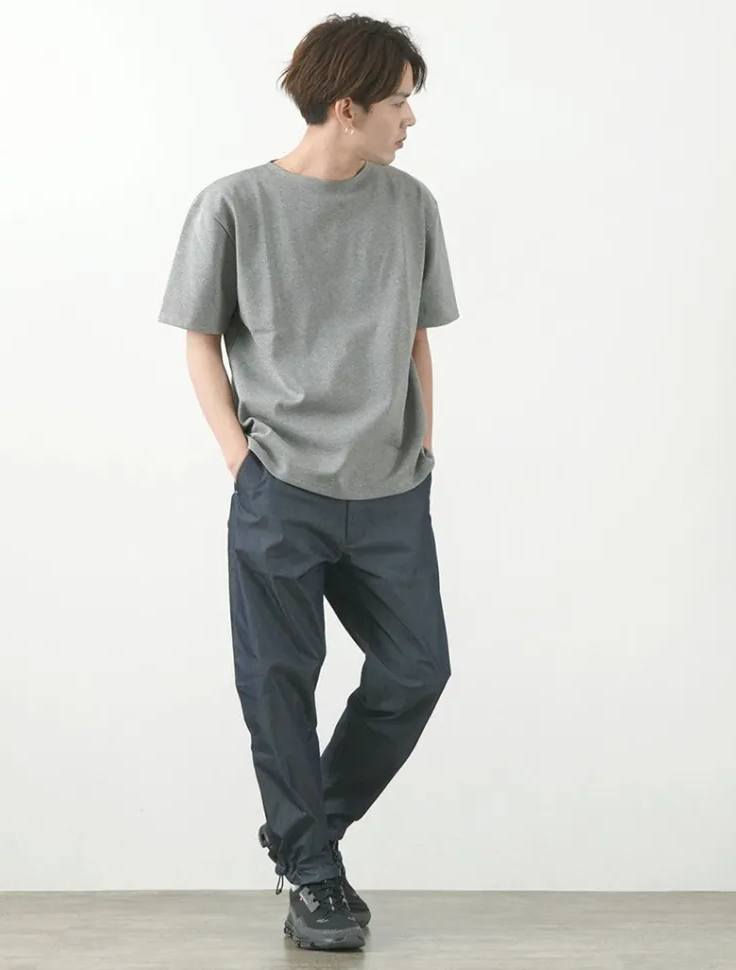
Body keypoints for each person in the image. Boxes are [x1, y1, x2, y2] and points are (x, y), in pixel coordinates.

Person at [158, 13, 459, 952]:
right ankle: (316, 878)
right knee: (280, 680)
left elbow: (416, 336)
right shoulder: (233, 205)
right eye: (400, 101)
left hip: (390, 488)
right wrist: (239, 457)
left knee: (417, 670)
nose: (411, 119)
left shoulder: (411, 205)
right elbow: (200, 340)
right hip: (280, 486)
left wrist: (421, 450)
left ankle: (305, 830)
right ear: (347, 106)